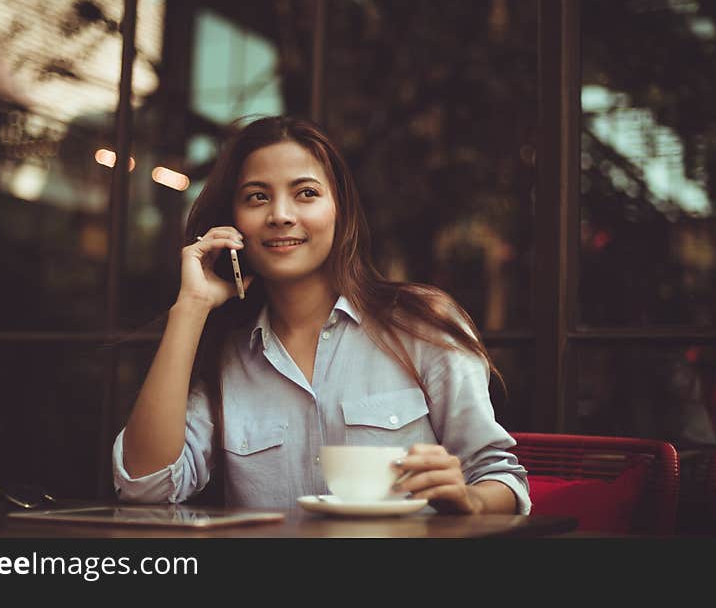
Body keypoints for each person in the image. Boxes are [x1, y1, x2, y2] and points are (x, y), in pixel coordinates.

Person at [112, 115, 531, 515]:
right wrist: (190, 308)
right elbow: (144, 486)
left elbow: (501, 479)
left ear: (340, 210)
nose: (280, 215)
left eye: (306, 193)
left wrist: (470, 499)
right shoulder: (226, 356)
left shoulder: (420, 325)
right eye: (257, 197)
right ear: (234, 222)